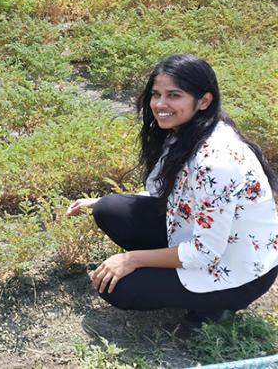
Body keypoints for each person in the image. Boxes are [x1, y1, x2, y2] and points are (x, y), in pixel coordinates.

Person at [66, 53, 278, 326]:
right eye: (156, 94)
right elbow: (165, 193)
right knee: (110, 208)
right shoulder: (185, 131)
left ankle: (215, 307)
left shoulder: (217, 160)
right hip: (204, 240)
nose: (160, 104)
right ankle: (180, 285)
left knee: (120, 287)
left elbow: (205, 252)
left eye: (174, 95)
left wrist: (132, 259)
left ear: (204, 101)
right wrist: (99, 201)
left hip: (239, 273)